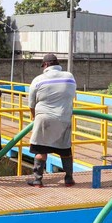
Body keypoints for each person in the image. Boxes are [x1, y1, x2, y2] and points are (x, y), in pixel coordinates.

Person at [26, 54, 77, 188]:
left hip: (44, 118)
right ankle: (69, 179)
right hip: (64, 118)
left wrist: (33, 116)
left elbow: (31, 103)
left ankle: (37, 180)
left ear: (46, 65)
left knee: (40, 150)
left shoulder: (38, 79)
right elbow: (72, 96)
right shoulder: (69, 77)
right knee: (65, 149)